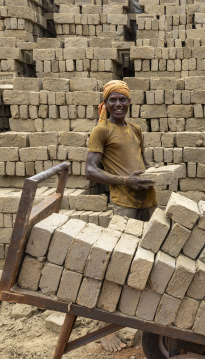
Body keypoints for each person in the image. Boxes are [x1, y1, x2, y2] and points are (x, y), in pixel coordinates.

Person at [85, 80, 157, 352]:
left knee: (146, 261)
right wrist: (125, 181)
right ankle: (102, 328)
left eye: (122, 100)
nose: (118, 104)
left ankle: (137, 317)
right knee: (118, 263)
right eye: (112, 100)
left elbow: (142, 162)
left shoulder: (136, 129)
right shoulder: (100, 131)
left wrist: (155, 172)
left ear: (129, 103)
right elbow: (90, 170)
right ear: (106, 103)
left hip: (147, 201)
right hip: (124, 203)